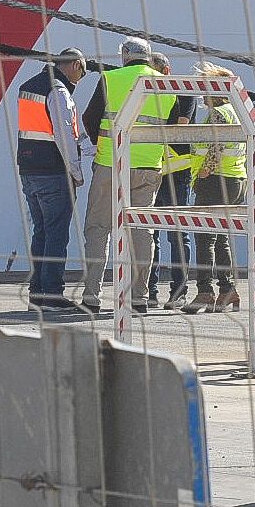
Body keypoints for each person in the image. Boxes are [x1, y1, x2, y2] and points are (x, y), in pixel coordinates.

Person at [76, 36, 176, 313]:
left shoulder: (111, 79)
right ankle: (139, 298)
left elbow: (89, 118)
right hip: (148, 167)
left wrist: (102, 143)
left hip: (111, 163)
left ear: (125, 56)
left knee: (98, 229)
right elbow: (175, 126)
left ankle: (92, 296)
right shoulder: (166, 84)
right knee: (142, 231)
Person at [14, 47, 91, 310]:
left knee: (41, 233)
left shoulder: (28, 86)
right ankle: (53, 295)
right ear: (74, 65)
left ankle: (37, 295)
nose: (82, 75)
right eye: (83, 69)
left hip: (29, 170)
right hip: (54, 172)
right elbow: (63, 135)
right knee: (56, 235)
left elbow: (38, 130)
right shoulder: (58, 91)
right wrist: (76, 171)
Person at [181, 61, 247, 313]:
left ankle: (205, 292)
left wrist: (204, 171)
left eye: (206, 89)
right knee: (221, 238)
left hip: (215, 180)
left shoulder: (219, 114)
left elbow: (214, 147)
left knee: (204, 237)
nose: (202, 95)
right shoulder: (237, 110)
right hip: (235, 180)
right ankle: (228, 290)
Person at [145, 51, 194, 307]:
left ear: (166, 71)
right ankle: (150, 292)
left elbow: (179, 129)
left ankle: (179, 292)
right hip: (153, 169)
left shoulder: (184, 92)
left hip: (176, 173)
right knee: (149, 232)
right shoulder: (146, 95)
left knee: (177, 234)